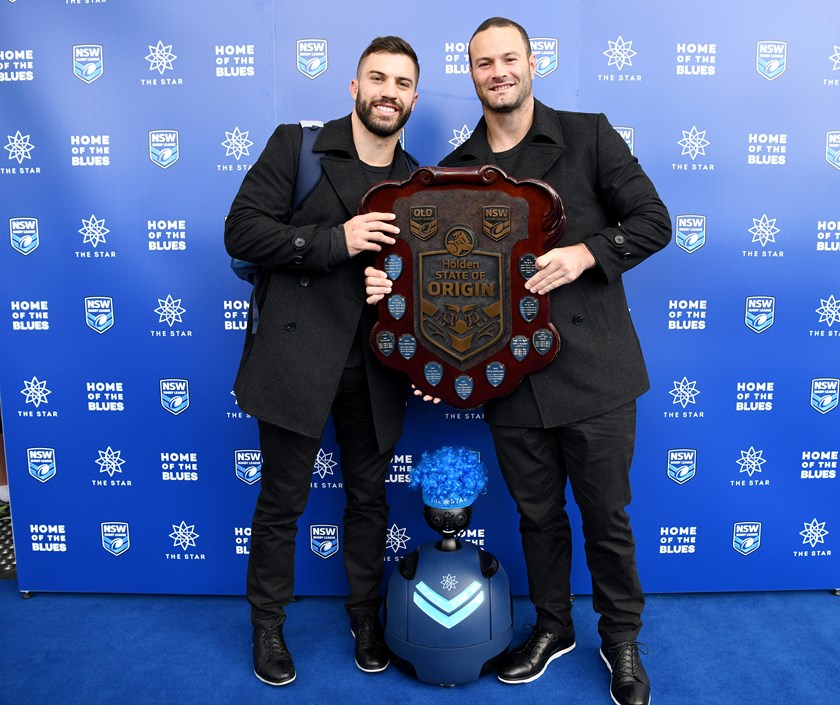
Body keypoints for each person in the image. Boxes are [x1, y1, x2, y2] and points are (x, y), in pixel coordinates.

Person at [366, 17, 670, 705]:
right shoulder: (454, 168)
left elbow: (654, 220)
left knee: (606, 517)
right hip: (509, 380)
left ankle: (620, 639)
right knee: (537, 516)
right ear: (470, 74)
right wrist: (425, 340)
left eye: (509, 59)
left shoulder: (588, 133)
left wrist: (585, 254)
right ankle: (554, 626)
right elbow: (435, 275)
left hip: (596, 370)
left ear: (532, 64)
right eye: (483, 63)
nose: (498, 71)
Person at [224, 36, 420, 686]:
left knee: (370, 501)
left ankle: (366, 616)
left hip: (377, 366)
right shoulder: (298, 147)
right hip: (296, 354)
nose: (388, 91)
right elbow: (242, 231)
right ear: (354, 87)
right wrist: (336, 240)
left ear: (414, 98)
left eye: (401, 82)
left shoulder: (421, 181)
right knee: (282, 500)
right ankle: (268, 625)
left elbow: (428, 282)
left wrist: (397, 290)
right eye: (377, 78)